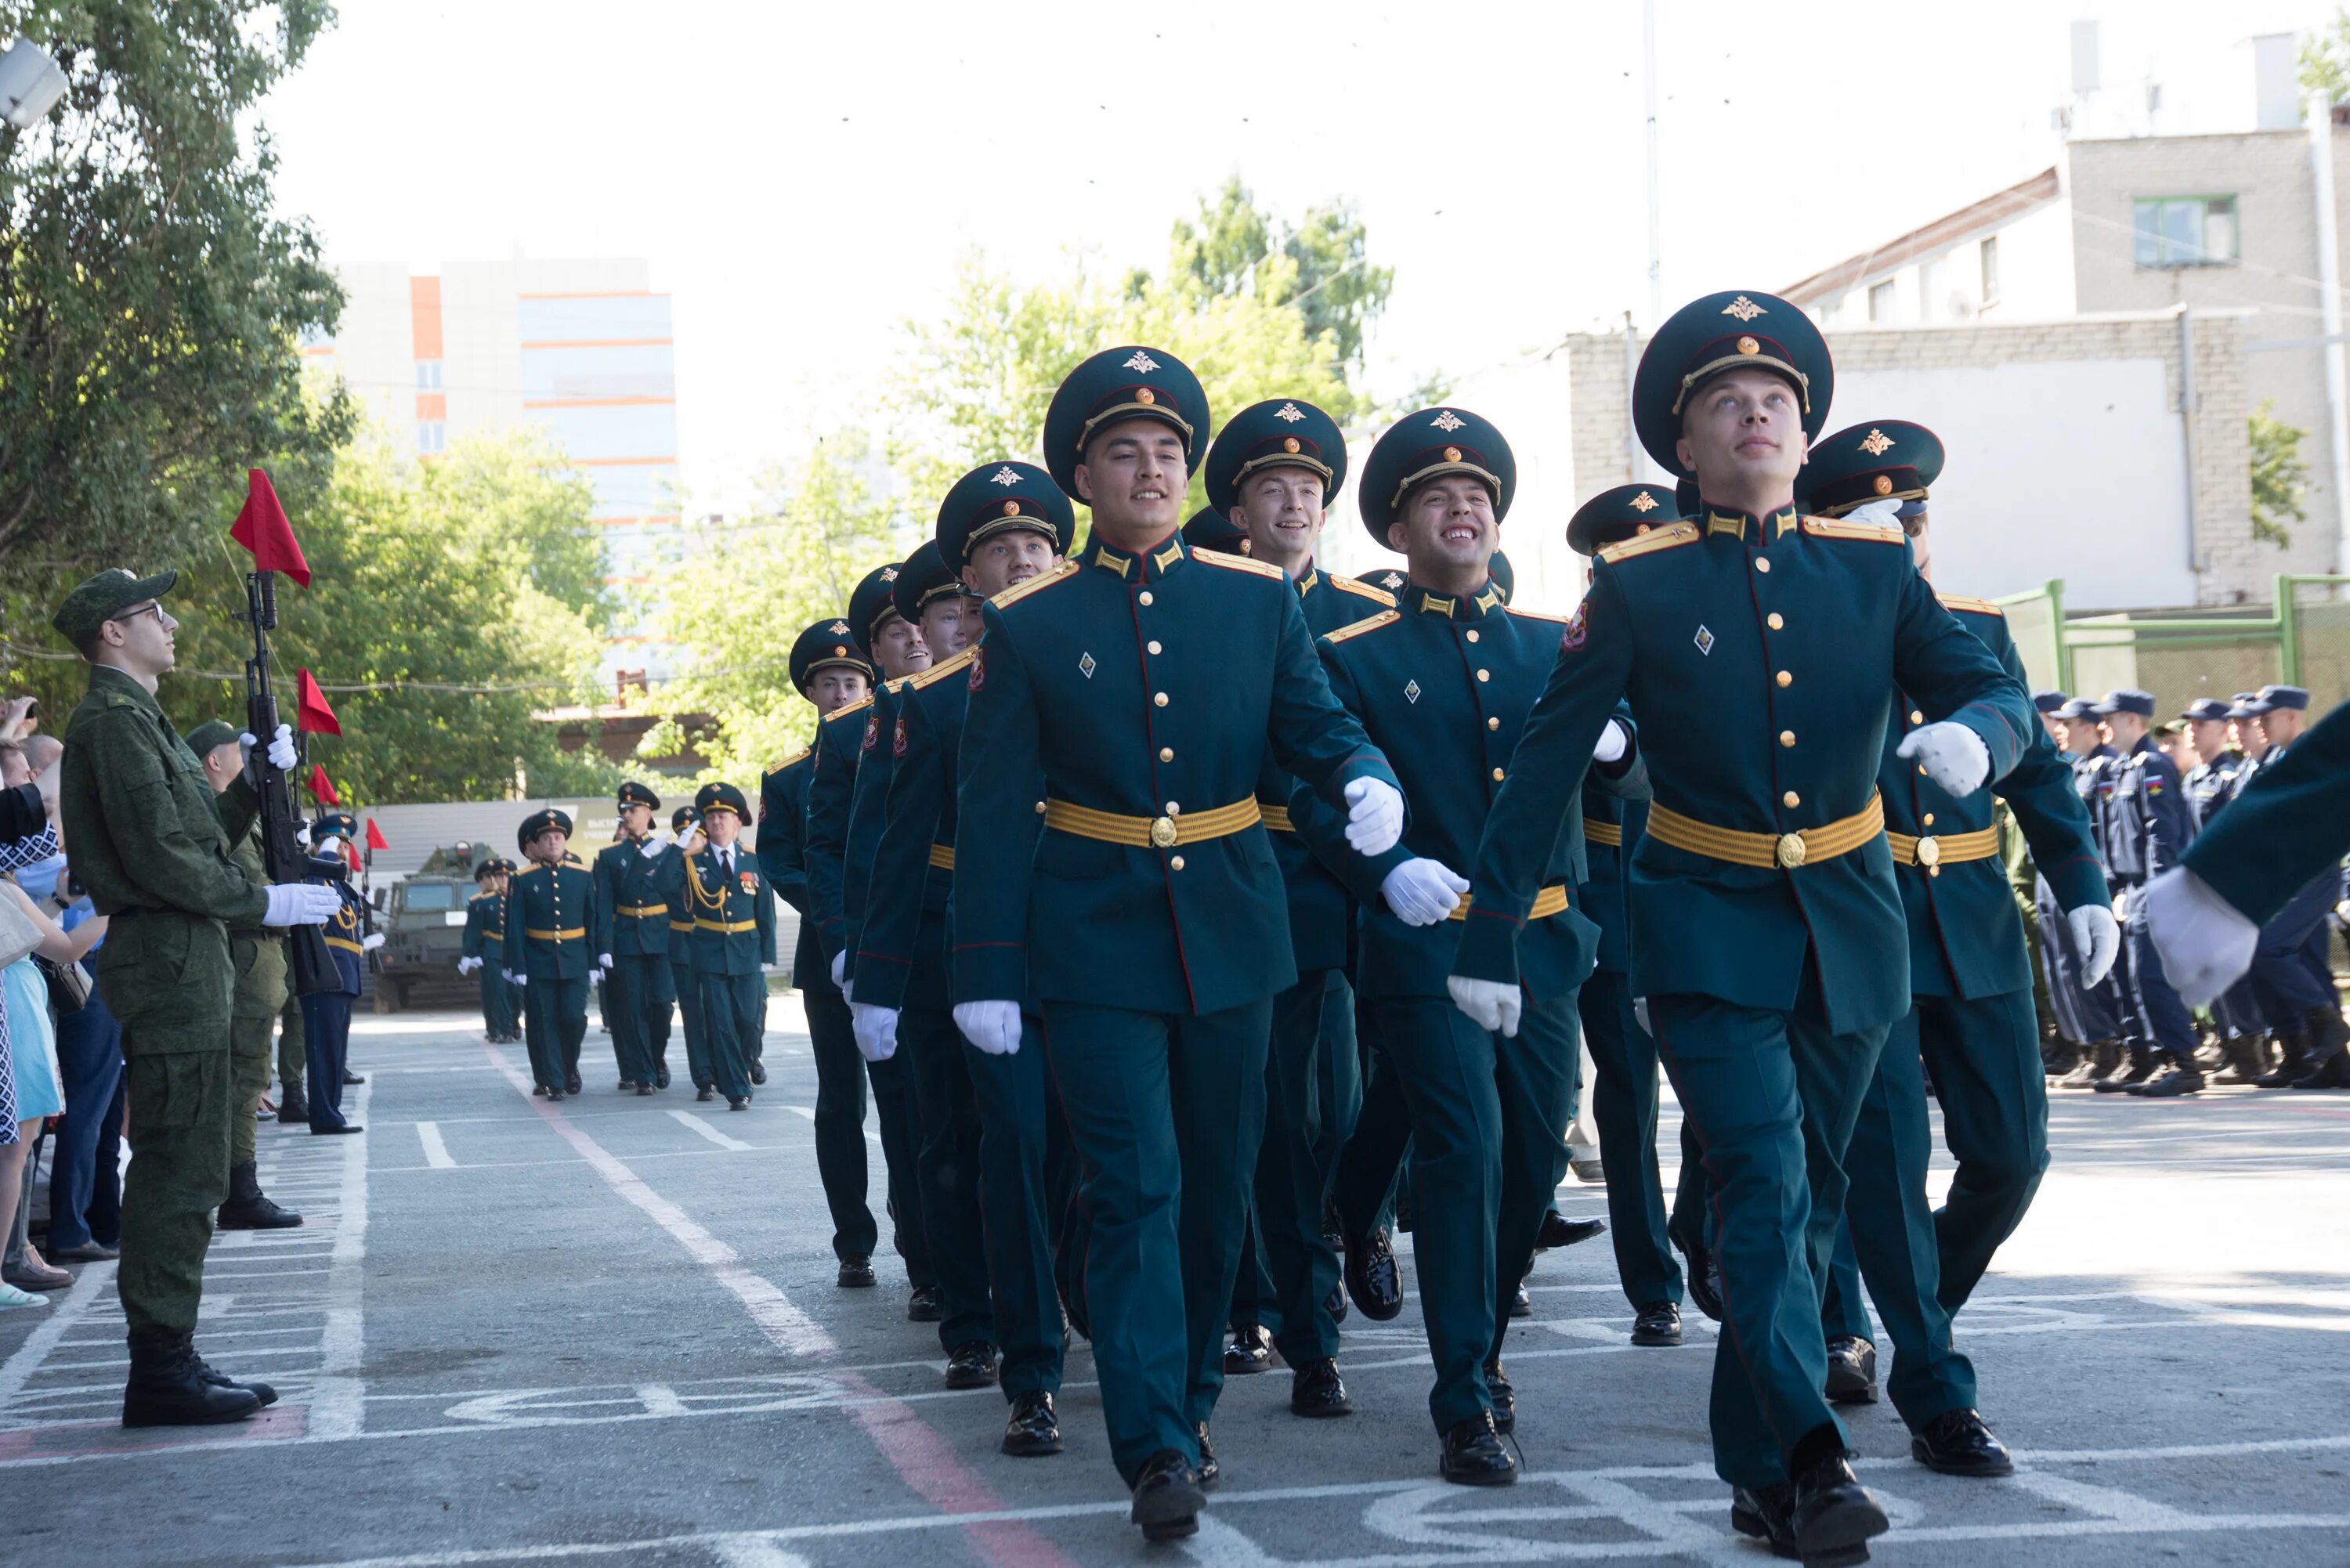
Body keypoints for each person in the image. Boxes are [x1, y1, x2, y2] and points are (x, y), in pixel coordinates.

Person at [1445, 292, 2039, 1563]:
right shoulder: (1641, 584)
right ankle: (1811, 1460)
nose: (1757, 412)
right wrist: (1489, 934)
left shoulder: (1876, 571)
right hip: (1706, 921)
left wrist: (1971, 735)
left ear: (1800, 426)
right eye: (1727, 400)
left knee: (1805, 1203)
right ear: (1686, 444)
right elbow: (1546, 767)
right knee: (1767, 1183)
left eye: (1776, 397)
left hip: (1849, 924)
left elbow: (1994, 686)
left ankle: (1758, 1470)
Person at [953, 345, 1403, 1541]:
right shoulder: (1031, 620)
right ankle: (1152, 1441)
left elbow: (1314, 723)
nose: (1148, 471)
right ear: (1083, 477)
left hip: (1232, 930)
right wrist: (986, 966)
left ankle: (1192, 1399)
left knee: (1213, 1189)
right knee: (1133, 1185)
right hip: (1090, 936)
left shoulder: (1254, 599)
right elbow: (995, 804)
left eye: (1166, 454)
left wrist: (1362, 777)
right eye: (1122, 454)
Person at [1297, 406, 1645, 1484]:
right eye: (1437, 499)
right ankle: (1461, 1397)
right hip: (1423, 944)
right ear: (1398, 529)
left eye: (1480, 497)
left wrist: (1621, 745)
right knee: (1465, 1147)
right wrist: (1381, 869)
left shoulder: (1555, 643)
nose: (1464, 509)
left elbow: (1638, 776)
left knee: (1534, 1157)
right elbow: (1313, 792)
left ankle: (1481, 1345)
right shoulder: (1352, 651)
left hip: (1542, 941)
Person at [1795, 421, 2114, 1472]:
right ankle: (1931, 1385)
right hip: (1862, 914)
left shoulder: (1974, 625)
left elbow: (2038, 768)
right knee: (1876, 1164)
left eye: (1915, 516)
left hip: (1972, 917)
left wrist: (2078, 884)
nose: (1904, 533)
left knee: (2013, 1155)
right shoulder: (1806, 626)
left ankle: (1909, 1300)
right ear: (1827, 528)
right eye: (1875, 518)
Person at [52, 567, 337, 1424]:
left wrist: (254, 781)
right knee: (175, 1166)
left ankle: (171, 1352)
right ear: (112, 631)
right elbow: (159, 860)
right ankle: (160, 1368)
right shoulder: (111, 724)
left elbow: (199, 834)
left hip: (190, 957)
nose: (170, 622)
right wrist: (263, 901)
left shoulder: (146, 722)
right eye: (154, 611)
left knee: (194, 1162)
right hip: (168, 956)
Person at [856, 461, 1078, 1451]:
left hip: (1106, 945)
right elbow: (899, 849)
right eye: (999, 551)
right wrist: (879, 976)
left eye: (1036, 545)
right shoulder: (935, 702)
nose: (1021, 558)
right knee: (1013, 1151)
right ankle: (1023, 1363)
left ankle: (1108, 1314)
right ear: (970, 579)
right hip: (985, 954)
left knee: (1108, 1159)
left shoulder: (1108, 659)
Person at [1201, 398, 1390, 1412]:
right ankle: (1299, 1326)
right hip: (1263, 876)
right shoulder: (1220, 604)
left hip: (1372, 876)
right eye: (1272, 488)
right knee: (1280, 1115)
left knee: (1373, 1098)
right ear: (1239, 509)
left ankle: (1362, 1215)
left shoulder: (1366, 610)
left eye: (1309, 489)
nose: (1292, 503)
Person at [851, 538, 1003, 1386]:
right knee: (951, 1133)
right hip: (941, 930)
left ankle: (1050, 1284)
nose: (962, 622)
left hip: (1047, 923)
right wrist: (876, 973)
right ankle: (969, 1314)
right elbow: (888, 850)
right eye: (949, 610)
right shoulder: (911, 708)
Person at [1562, 483, 1701, 1349]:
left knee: (1723, 1088)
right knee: (1630, 1093)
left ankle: (1703, 1227)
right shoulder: (1585, 645)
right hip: (1615, 895)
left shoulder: (1710, 635)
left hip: (1703, 890)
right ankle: (1653, 1278)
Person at [804, 562, 935, 1295]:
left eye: (925, 623)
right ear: (873, 650)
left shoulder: (985, 696)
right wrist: (849, 946)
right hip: (887, 948)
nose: (916, 639)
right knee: (911, 1119)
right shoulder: (852, 732)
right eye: (896, 630)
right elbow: (827, 851)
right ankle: (928, 1268)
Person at [759, 622, 892, 1283]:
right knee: (842, 1099)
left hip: (897, 947)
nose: (842, 693)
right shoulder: (787, 778)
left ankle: (920, 1231)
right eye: (830, 684)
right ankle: (854, 1240)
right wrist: (836, 910)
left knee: (909, 1101)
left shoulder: (894, 747)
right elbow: (782, 862)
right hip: (829, 956)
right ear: (810, 693)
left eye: (853, 682)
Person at [2149, 694, 2350, 1089]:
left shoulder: (2305, 760)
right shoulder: (2258, 768)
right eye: (2244, 721)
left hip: (2311, 873)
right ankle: (2307, 1056)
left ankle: (2327, 1028)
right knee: (2293, 961)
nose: (2252, 727)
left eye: (2261, 718)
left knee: (2267, 948)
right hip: (2278, 876)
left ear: (2292, 716)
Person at [184, 719, 304, 1221]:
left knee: (249, 1076)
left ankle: (239, 1186)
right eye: (238, 750)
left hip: (262, 955)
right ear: (215, 761)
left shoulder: (244, 818)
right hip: (243, 955)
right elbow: (219, 883)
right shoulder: (210, 818)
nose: (247, 757)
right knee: (243, 1078)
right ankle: (240, 1191)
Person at [2080, 690, 2204, 1097]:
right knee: (2134, 979)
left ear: (2133, 720)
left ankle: (2185, 1064)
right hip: (2131, 886)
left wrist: (2157, 890)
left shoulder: (2152, 765)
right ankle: (2162, 1057)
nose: (2104, 727)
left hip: (2153, 886)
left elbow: (2161, 834)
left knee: (2151, 976)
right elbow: (2118, 838)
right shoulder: (2128, 767)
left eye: (2111, 719)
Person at [668, 782, 776, 1111]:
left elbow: (765, 910)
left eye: (723, 817)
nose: (717, 822)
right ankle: (737, 1088)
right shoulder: (691, 861)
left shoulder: (754, 860)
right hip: (710, 952)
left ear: (738, 822)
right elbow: (659, 885)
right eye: (711, 816)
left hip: (747, 950)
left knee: (748, 1021)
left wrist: (768, 954)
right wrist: (679, 847)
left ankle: (744, 1065)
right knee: (721, 1024)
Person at [505, 808, 599, 1100]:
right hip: (539, 960)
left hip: (575, 959)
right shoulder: (522, 879)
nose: (553, 842)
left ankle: (569, 1066)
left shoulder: (582, 876)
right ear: (538, 843)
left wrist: (596, 961)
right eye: (547, 838)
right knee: (545, 1021)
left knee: (573, 1018)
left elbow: (593, 921)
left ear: (565, 840)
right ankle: (555, 1080)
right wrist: (517, 965)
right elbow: (515, 925)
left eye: (558, 837)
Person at [593, 782, 676, 1094]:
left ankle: (655, 1058)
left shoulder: (666, 850)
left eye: (633, 809)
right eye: (623, 810)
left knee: (662, 1005)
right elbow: (603, 906)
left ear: (648, 812)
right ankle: (643, 1073)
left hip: (661, 937)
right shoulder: (610, 856)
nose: (626, 814)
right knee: (632, 1008)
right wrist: (604, 946)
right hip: (627, 939)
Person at [300, 813, 377, 1134]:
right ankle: (324, 1114)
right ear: (320, 845)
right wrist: (325, 857)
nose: (344, 849)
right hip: (324, 973)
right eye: (337, 843)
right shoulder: (315, 875)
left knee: (336, 1050)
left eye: (346, 844)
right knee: (323, 1050)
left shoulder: (343, 885)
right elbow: (313, 900)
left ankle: (332, 1111)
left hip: (344, 974)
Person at [661, 811, 717, 1099]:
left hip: (714, 944)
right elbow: (663, 884)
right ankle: (704, 1078)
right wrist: (675, 851)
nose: (688, 842)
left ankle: (730, 1066)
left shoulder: (714, 863)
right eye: (683, 837)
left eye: (693, 836)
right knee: (694, 1015)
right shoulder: (676, 867)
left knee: (722, 1013)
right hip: (683, 945)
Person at [458, 859, 521, 1043]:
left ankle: (513, 1022)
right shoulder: (485, 902)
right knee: (497, 992)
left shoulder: (519, 899)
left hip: (514, 952)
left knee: (516, 994)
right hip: (493, 951)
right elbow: (473, 931)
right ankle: (503, 1029)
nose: (503, 879)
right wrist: (470, 955)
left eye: (507, 876)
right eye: (500, 876)